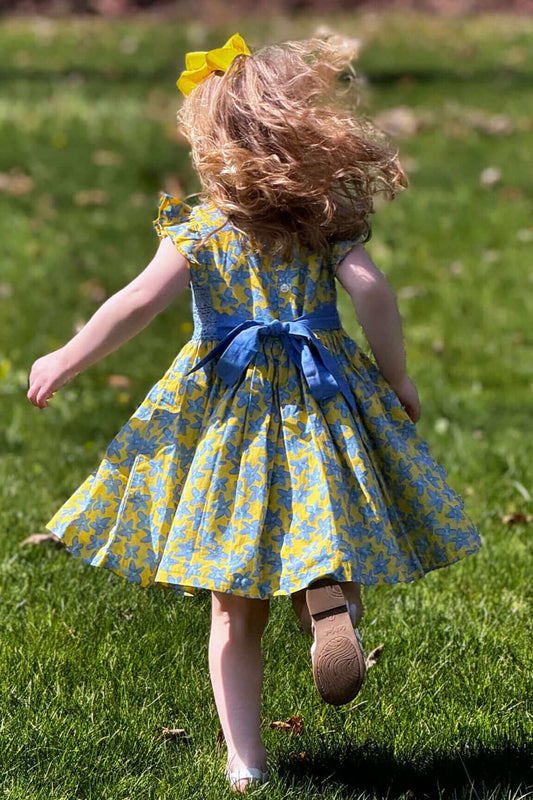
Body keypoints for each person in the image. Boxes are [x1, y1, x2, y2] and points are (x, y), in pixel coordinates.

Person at [27, 33, 482, 793]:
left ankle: (245, 764)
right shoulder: (322, 226)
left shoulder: (203, 228)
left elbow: (135, 304)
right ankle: (327, 602)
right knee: (320, 522)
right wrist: (396, 376)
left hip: (227, 418)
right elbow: (371, 293)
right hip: (321, 403)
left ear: (212, 144)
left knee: (232, 613)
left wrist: (64, 359)